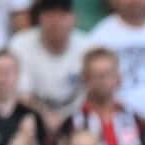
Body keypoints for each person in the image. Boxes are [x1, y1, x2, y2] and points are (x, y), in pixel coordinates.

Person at [68, 47, 144, 145]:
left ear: (118, 78)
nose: (102, 80)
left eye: (107, 74)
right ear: (85, 79)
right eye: (96, 75)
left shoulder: (133, 118)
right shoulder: (74, 121)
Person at [11, 0, 90, 132]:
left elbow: (94, 90)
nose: (56, 21)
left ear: (74, 18)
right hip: (33, 119)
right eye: (50, 14)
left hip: (79, 118)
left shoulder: (88, 46)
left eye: (62, 14)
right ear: (39, 18)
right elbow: (22, 94)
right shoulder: (20, 44)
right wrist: (46, 116)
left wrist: (68, 120)